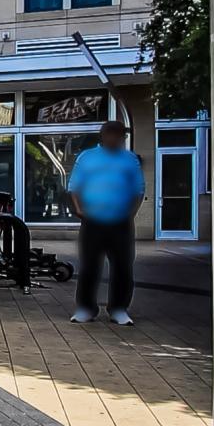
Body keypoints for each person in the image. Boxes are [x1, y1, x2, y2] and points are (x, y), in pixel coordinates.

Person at [66, 120, 145, 325]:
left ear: (123, 138)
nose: (114, 139)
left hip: (121, 223)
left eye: (118, 136)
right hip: (92, 221)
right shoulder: (87, 157)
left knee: (123, 267)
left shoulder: (130, 160)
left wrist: (130, 214)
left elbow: (138, 190)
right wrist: (79, 209)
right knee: (90, 265)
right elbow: (74, 186)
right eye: (110, 135)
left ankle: (118, 308)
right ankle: (86, 308)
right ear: (102, 136)